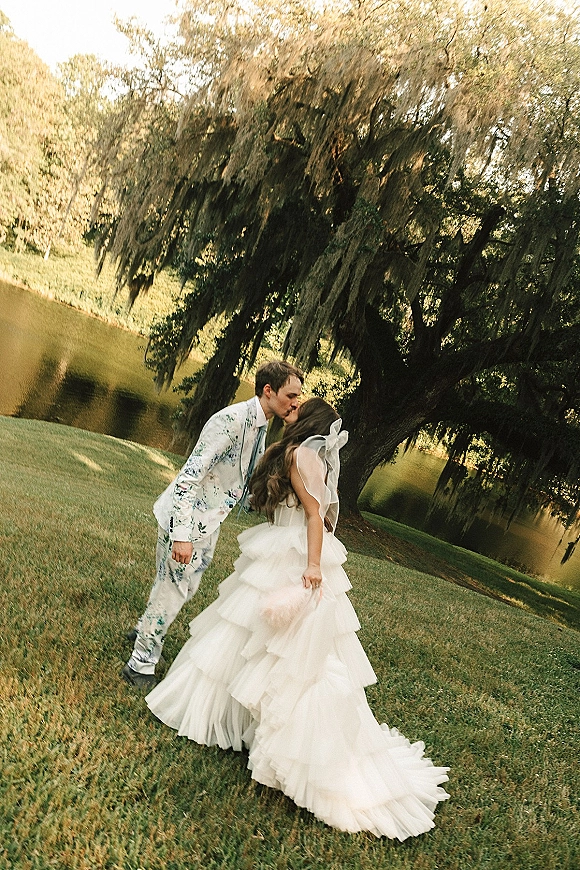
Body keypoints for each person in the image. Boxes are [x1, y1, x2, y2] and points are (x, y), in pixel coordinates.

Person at [145, 398, 450, 838]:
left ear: (307, 423)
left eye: (296, 408)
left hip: (292, 553)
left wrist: (311, 565)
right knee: (262, 638)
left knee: (263, 637)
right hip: (294, 548)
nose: (289, 411)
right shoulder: (308, 456)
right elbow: (322, 515)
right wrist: (314, 560)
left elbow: (313, 515)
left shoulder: (294, 454)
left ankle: (248, 724)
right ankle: (246, 723)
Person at [122, 359, 304, 689]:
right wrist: (181, 535)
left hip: (208, 524)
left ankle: (144, 630)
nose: (296, 402)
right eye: (291, 395)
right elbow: (188, 477)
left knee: (181, 589)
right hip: (187, 522)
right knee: (172, 592)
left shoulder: (260, 426)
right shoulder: (231, 421)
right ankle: (140, 664)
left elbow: (240, 481)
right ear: (268, 390)